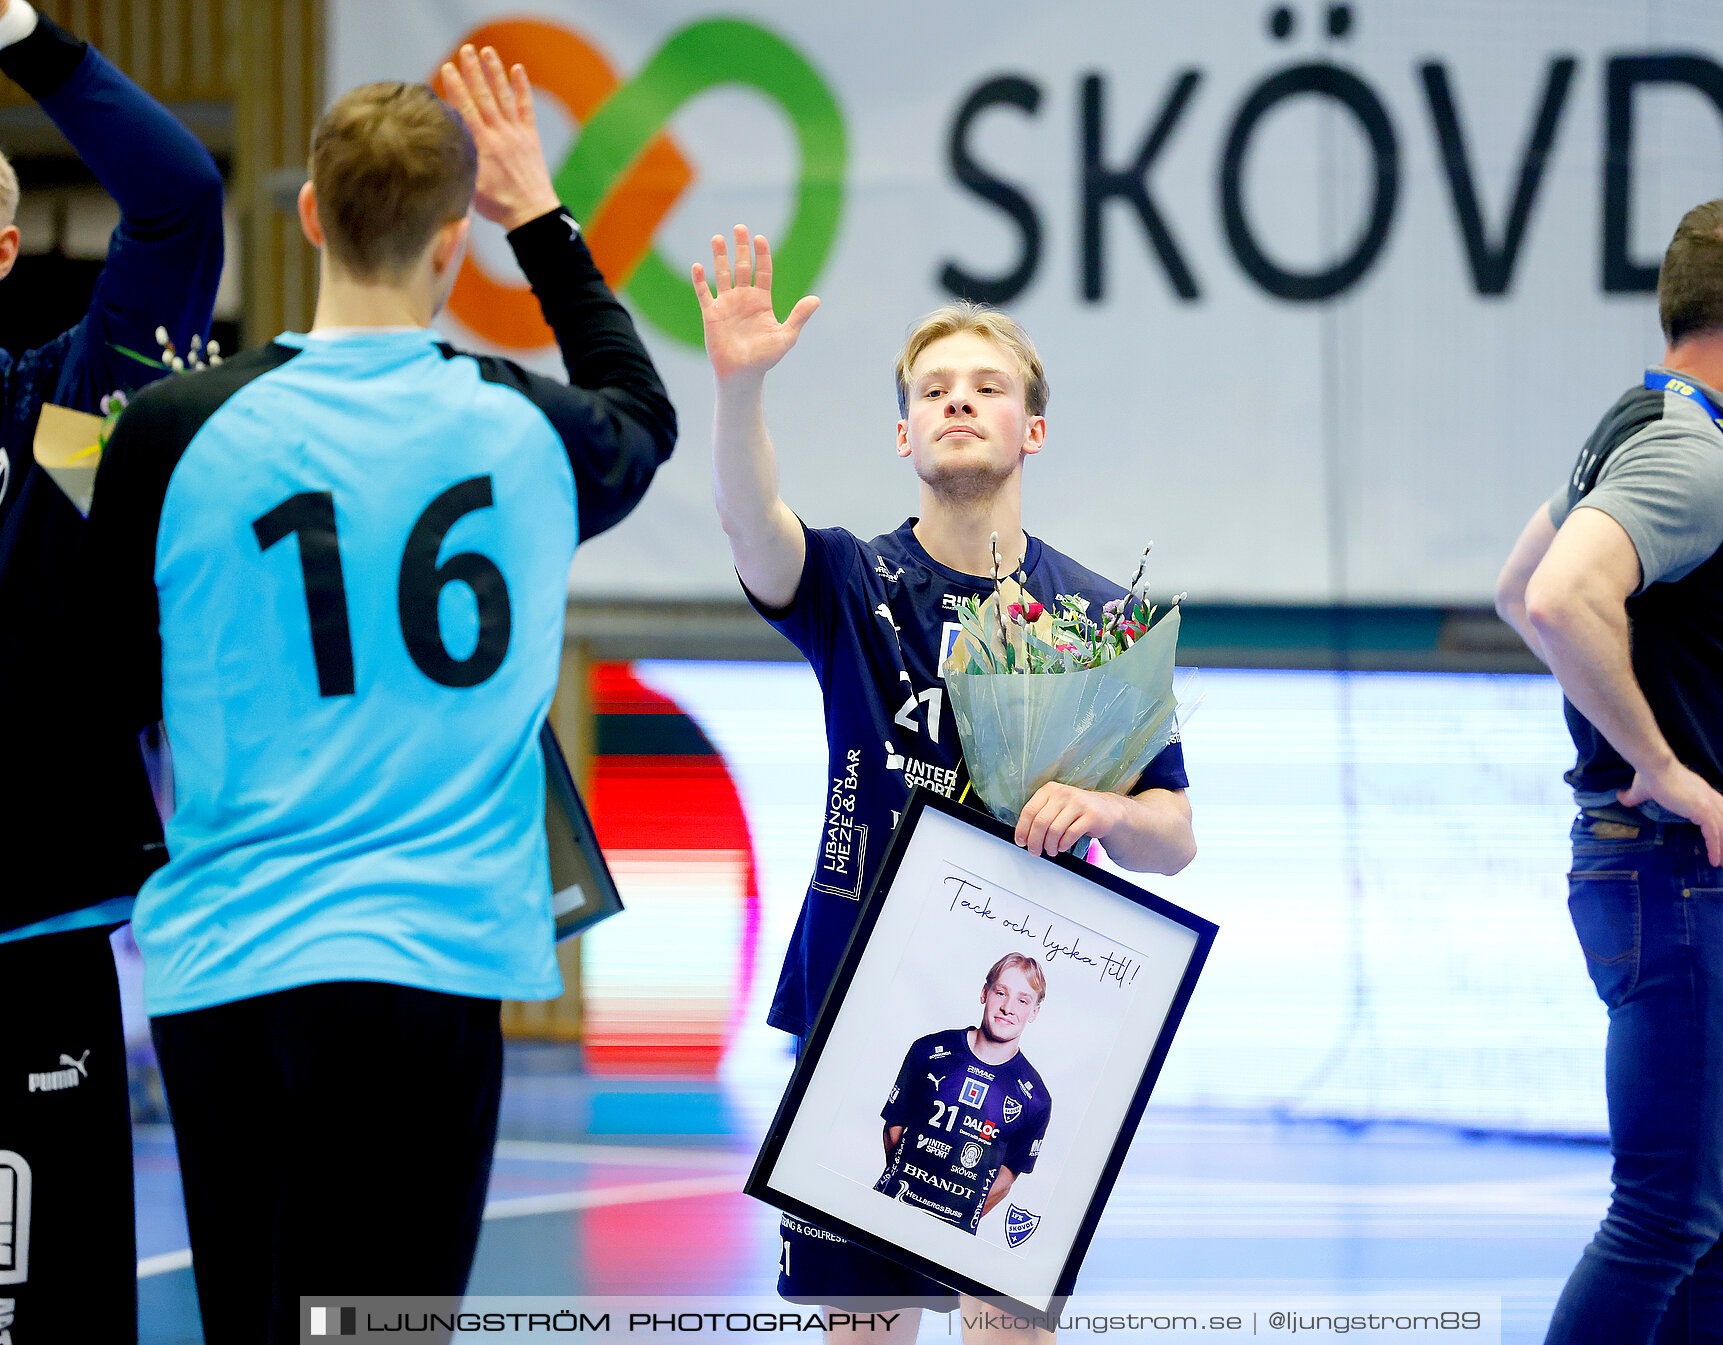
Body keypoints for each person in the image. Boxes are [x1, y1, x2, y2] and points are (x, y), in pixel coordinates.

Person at [78, 48, 674, 1342]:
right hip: (434, 965)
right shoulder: (529, 429)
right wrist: (547, 222)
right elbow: (643, 411)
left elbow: (107, 686)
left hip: (229, 961)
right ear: (454, 242)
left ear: (308, 214)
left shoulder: (175, 432)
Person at [692, 227, 1194, 1334]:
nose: (959, 401)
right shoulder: (847, 581)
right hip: (858, 1019)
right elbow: (746, 523)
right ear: (905, 430)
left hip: (1027, 1037)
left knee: (1006, 1328)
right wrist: (738, 393)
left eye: (988, 385)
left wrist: (1107, 808)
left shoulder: (1100, 622)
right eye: (934, 388)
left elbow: (1174, 834)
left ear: (1033, 427)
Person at [1495, 198, 1723, 1345]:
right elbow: (1555, 597)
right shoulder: (1689, 446)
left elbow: (1520, 583)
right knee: (1670, 1215)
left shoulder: (1646, 424)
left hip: (1694, 883)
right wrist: (1659, 762)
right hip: (1676, 878)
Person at [0, 1, 224, 1337]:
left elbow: (179, 203)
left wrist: (27, 35)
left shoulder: (62, 425)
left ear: (6, 245)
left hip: (33, 949)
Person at [876, 953, 1052, 1236]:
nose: (1008, 1007)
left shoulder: (1036, 1099)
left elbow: (1007, 1178)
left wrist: (953, 1217)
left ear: (1034, 1012)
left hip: (949, 1241)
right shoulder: (928, 1051)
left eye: (1022, 1000)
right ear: (985, 993)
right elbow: (894, 1127)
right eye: (1001, 992)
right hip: (888, 1215)